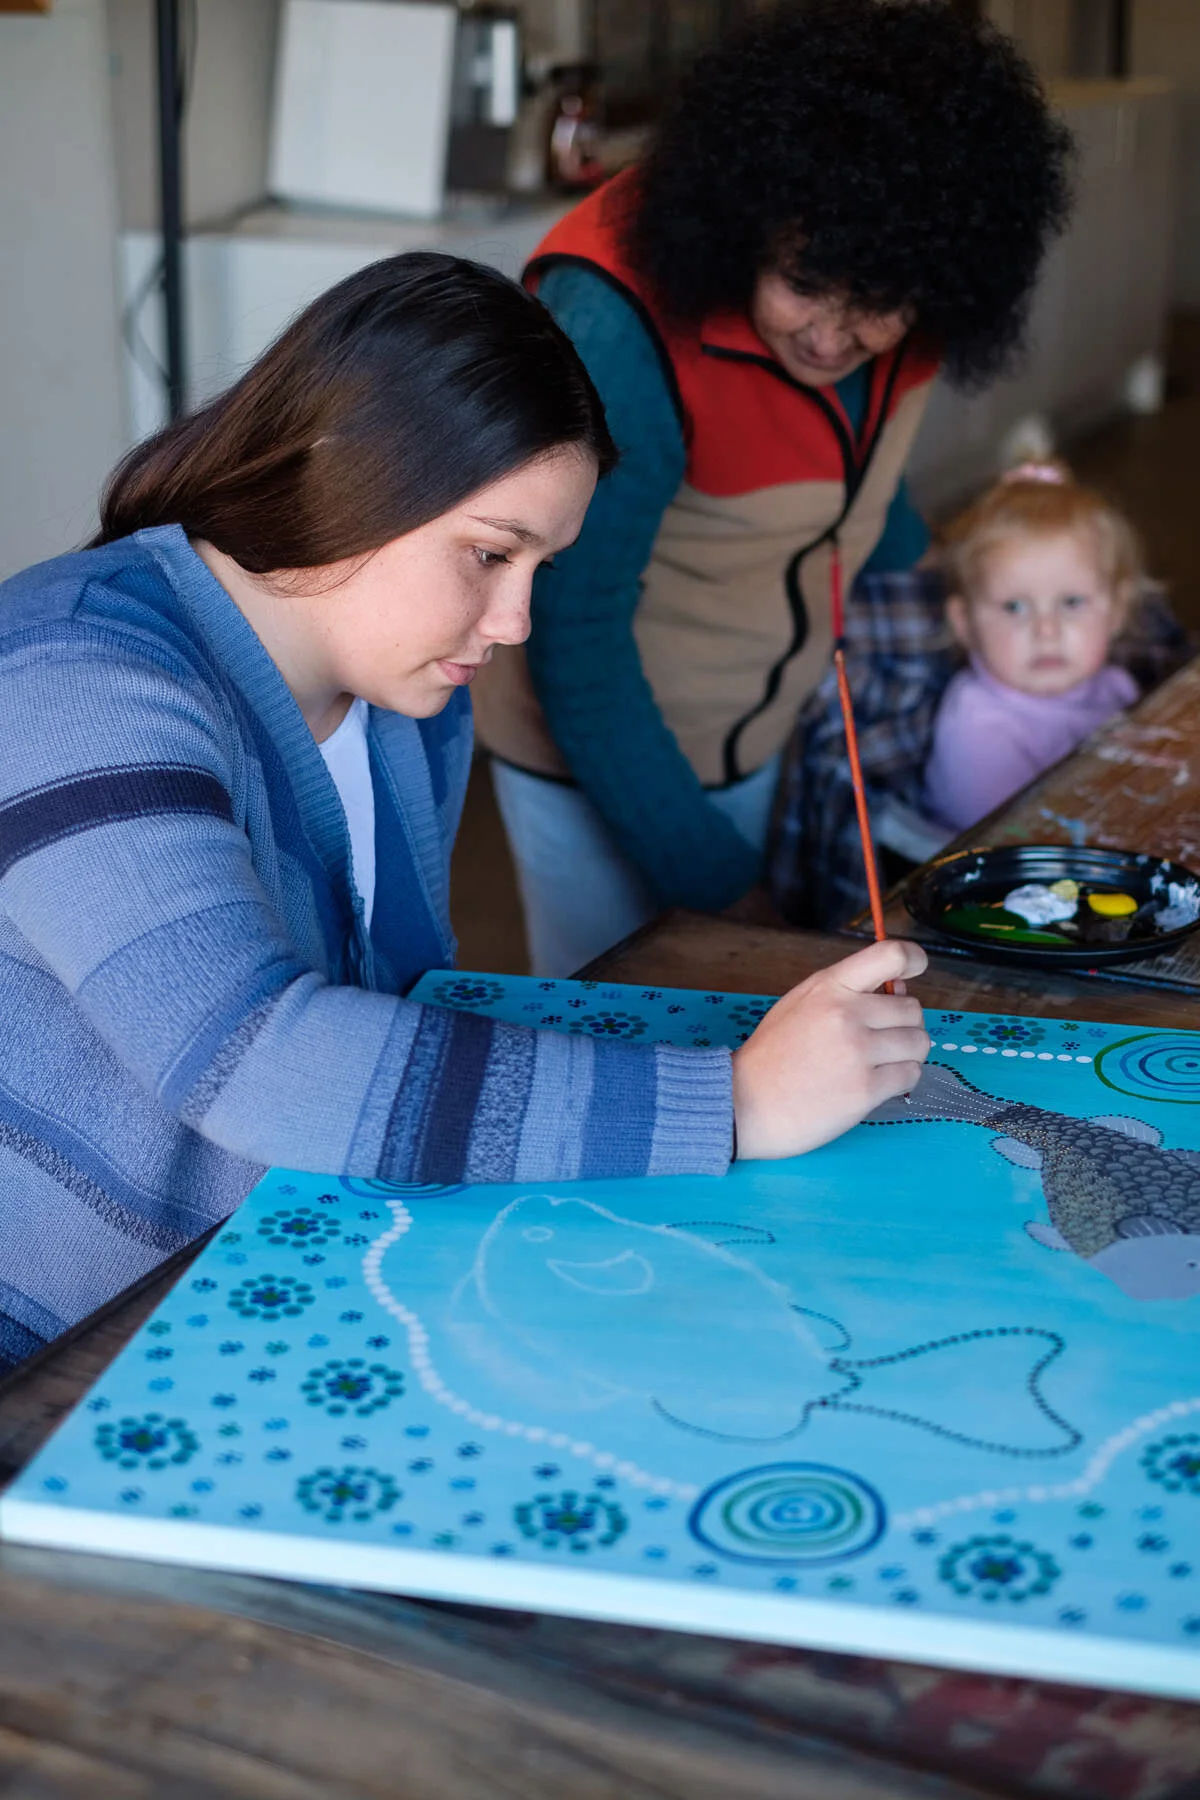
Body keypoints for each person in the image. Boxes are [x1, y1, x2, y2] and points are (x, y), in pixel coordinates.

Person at [0, 252, 930, 1372]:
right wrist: (734, 1103)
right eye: (490, 553)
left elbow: (400, 1002)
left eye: (539, 567)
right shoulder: (72, 684)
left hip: (282, 1263)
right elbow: (254, 1060)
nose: (515, 621)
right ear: (346, 470)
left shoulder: (412, 699)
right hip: (66, 1341)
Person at [472, 0, 1074, 976]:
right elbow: (574, 635)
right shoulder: (618, 324)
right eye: (802, 283)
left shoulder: (919, 269)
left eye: (874, 303)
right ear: (748, 219)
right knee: (621, 1009)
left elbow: (857, 478)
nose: (830, 338)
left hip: (762, 726)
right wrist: (724, 892)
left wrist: (987, 586)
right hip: (595, 744)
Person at [923, 463, 1143, 835]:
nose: (1046, 631)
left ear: (1117, 611)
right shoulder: (978, 732)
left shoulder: (1115, 686)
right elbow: (1015, 839)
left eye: (1072, 602)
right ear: (965, 623)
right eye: (1014, 607)